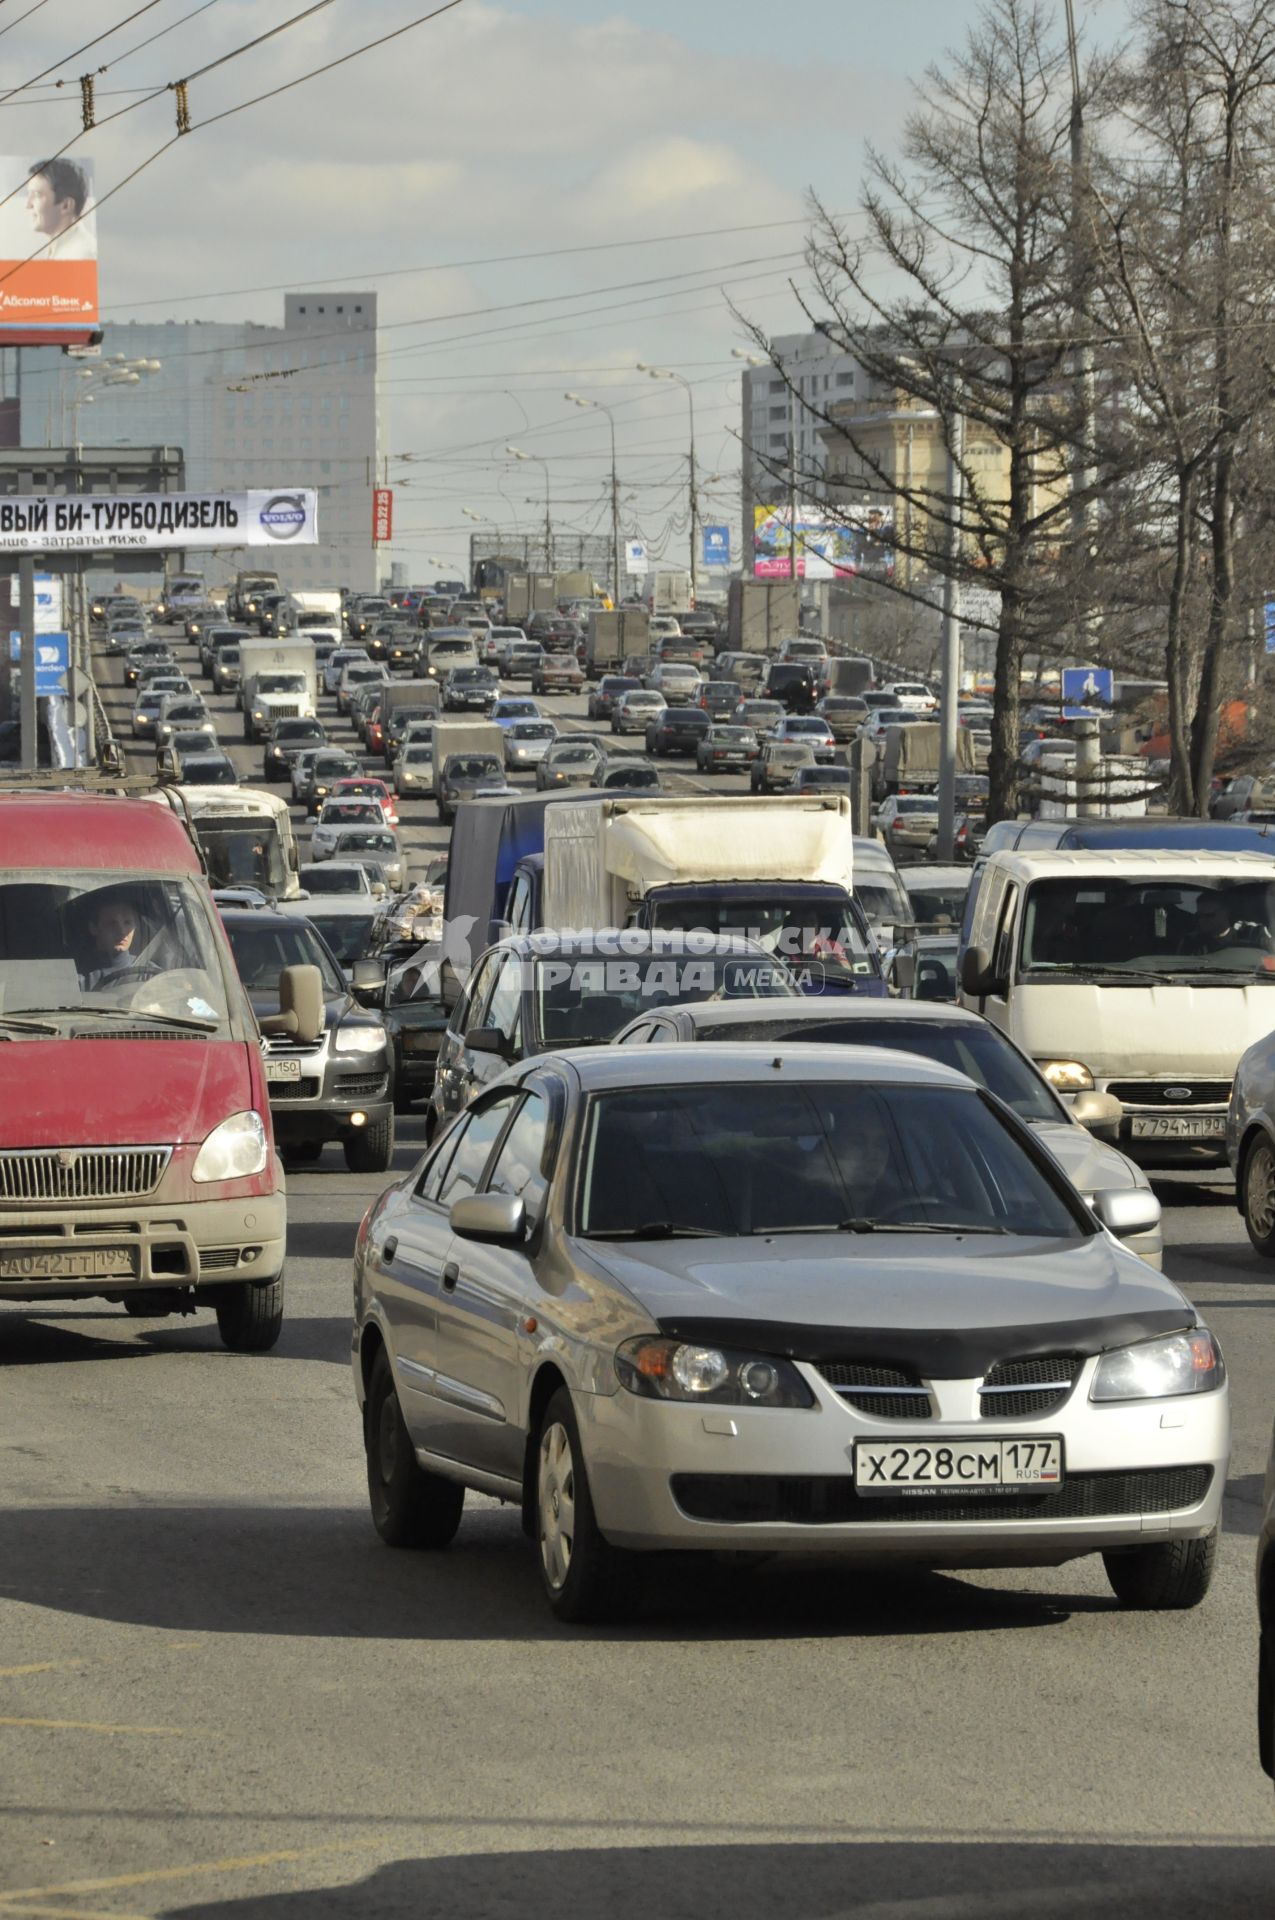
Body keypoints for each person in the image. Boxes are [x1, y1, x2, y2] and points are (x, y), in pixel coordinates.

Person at [25, 159, 95, 263]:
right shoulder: (59, 249)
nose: (28, 205)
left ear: (66, 206)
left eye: (37, 195)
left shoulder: (82, 256)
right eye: (29, 194)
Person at [80, 895, 155, 990]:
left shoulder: (150, 975)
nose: (122, 931)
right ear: (94, 928)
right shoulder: (78, 978)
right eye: (112, 923)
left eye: (127, 922)